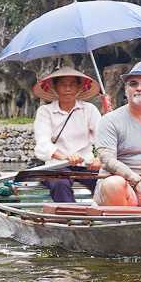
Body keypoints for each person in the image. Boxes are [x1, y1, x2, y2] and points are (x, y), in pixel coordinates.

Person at [94, 60, 141, 206]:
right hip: (120, 184)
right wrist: (136, 180)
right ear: (126, 90)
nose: (139, 88)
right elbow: (106, 159)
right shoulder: (109, 120)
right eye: (133, 84)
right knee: (114, 184)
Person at [32, 66, 105, 202]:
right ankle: (70, 214)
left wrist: (99, 158)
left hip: (85, 164)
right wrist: (65, 157)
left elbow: (103, 138)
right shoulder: (45, 111)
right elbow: (43, 144)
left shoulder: (89, 110)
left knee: (106, 182)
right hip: (56, 166)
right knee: (60, 184)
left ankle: (107, 213)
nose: (68, 88)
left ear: (79, 87)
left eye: (72, 84)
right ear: (55, 88)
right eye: (63, 85)